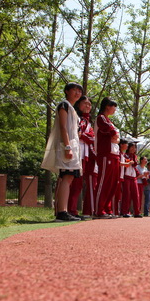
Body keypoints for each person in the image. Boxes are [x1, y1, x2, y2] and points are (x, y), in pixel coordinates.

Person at [41, 82, 83, 222]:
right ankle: (61, 211)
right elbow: (63, 127)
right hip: (67, 146)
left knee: (69, 178)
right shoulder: (64, 105)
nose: (77, 93)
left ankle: (64, 210)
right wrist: (67, 147)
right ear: (66, 91)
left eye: (79, 91)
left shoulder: (73, 109)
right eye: (74, 90)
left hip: (73, 146)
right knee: (66, 177)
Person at [68, 95, 95, 219]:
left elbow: (92, 138)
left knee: (78, 184)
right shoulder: (77, 118)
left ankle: (72, 210)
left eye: (89, 104)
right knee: (72, 182)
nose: (88, 106)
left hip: (84, 155)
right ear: (78, 104)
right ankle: (68, 210)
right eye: (85, 103)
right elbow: (78, 134)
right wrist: (86, 136)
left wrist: (85, 136)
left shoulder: (88, 121)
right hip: (75, 152)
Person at [93, 97, 120, 219]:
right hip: (105, 153)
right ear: (107, 106)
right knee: (104, 181)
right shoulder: (101, 118)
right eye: (114, 106)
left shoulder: (109, 120)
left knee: (112, 183)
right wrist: (114, 135)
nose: (115, 109)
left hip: (114, 154)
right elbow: (113, 133)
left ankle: (107, 208)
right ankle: (99, 210)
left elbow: (117, 138)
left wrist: (115, 137)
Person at [121, 142, 142, 218]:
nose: (133, 149)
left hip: (133, 177)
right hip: (126, 176)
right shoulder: (125, 155)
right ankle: (124, 211)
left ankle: (137, 212)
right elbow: (126, 164)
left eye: (135, 147)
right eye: (132, 147)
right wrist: (130, 161)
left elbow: (135, 165)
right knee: (126, 195)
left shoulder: (135, 156)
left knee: (136, 195)